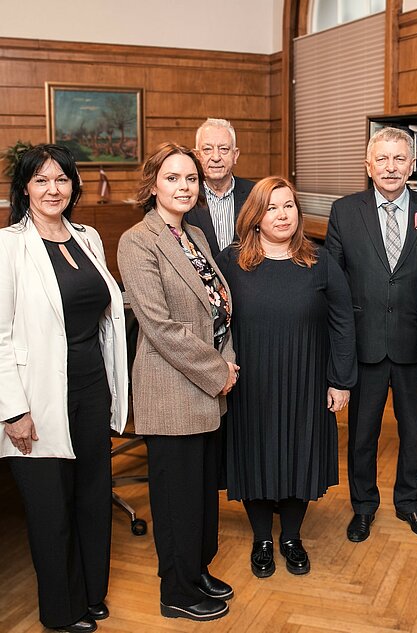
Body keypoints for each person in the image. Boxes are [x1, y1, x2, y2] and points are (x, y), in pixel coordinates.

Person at [0, 144, 127, 633]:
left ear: (73, 185)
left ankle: (92, 595)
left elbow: (103, 319)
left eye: (61, 179)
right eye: (41, 180)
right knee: (51, 509)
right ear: (25, 188)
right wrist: (13, 410)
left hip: (91, 389)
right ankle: (61, 610)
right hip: (36, 398)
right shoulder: (10, 245)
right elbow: (2, 335)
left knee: (93, 498)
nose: (53, 189)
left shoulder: (88, 237)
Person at [117, 142, 238, 622]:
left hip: (208, 389)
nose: (185, 186)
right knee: (176, 501)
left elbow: (219, 311)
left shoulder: (197, 238)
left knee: (203, 495)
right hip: (170, 391)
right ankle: (177, 591)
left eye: (191, 178)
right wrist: (218, 370)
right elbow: (159, 325)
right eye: (173, 178)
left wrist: (226, 362)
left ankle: (198, 570)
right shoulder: (138, 241)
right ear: (152, 185)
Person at [217, 176, 357, 577]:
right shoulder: (230, 262)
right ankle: (262, 537)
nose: (282, 215)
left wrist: (341, 380)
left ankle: (292, 537)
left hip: (307, 380)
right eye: (271, 208)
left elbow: (343, 323)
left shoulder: (319, 259)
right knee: (254, 456)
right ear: (255, 217)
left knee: (301, 455)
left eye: (288, 206)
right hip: (249, 383)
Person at [327, 127, 417, 543]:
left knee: (416, 432)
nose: (392, 167)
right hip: (365, 346)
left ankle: (409, 503)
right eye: (383, 159)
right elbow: (335, 282)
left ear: (413, 164)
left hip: (416, 345)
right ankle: (362, 506)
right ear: (368, 166)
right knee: (363, 434)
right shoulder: (345, 211)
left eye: (400, 159)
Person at [185, 118, 255, 257]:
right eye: (207, 149)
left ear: (235, 155)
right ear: (197, 156)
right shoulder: (184, 196)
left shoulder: (255, 193)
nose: (216, 157)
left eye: (223, 149)